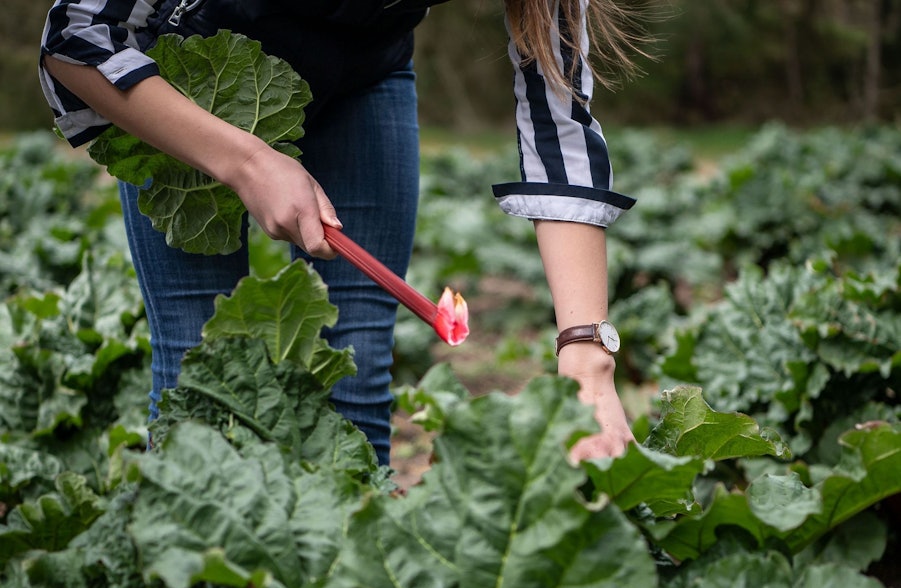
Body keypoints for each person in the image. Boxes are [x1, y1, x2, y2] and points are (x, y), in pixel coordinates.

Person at [39, 0, 638, 466]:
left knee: (359, 362)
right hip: (185, 85)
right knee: (199, 364)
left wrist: (588, 361)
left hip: (362, 77)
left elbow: (560, 112)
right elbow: (76, 35)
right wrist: (248, 162)